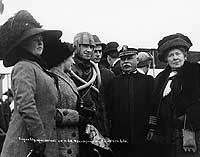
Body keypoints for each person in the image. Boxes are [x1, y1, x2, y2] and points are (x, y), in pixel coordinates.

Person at [0, 10, 62, 157]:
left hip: (42, 143)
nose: (40, 42)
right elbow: (26, 104)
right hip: (25, 146)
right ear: (22, 44)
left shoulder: (38, 68)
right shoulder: (24, 67)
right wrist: (39, 136)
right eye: (34, 38)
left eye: (41, 38)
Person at [149, 33, 200, 157]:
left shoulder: (195, 73)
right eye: (171, 55)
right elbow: (154, 104)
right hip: (165, 134)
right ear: (166, 59)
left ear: (185, 56)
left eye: (178, 54)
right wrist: (152, 127)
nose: (175, 58)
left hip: (188, 132)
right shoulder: (161, 78)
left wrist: (187, 119)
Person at [108, 45, 154, 157]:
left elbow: (154, 107)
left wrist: (152, 129)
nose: (126, 62)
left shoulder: (148, 81)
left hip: (142, 137)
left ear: (137, 60)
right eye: (123, 59)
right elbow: (108, 109)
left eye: (130, 58)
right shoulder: (113, 82)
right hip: (119, 139)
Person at [70, 32, 109, 157]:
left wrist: (105, 132)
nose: (89, 50)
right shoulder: (70, 69)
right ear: (76, 46)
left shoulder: (94, 71)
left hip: (94, 123)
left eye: (91, 47)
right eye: (85, 46)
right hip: (76, 124)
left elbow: (100, 103)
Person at [42, 40, 81, 157]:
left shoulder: (62, 77)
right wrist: (76, 117)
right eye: (71, 58)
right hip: (61, 140)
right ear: (63, 59)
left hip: (68, 137)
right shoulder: (51, 79)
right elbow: (47, 111)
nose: (73, 61)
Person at [91, 34, 114, 136]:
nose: (98, 54)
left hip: (105, 117)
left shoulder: (107, 73)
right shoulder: (80, 71)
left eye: (100, 51)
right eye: (95, 51)